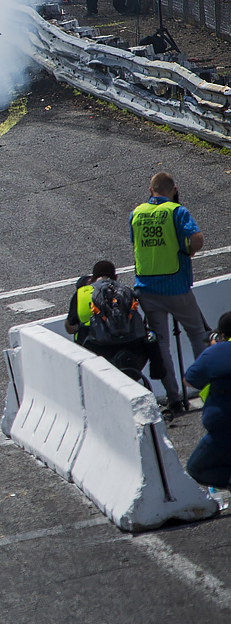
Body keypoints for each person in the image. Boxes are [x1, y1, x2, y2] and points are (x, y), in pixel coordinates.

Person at [131, 171, 209, 415]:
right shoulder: (177, 211)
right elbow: (197, 239)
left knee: (161, 343)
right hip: (176, 285)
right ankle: (208, 390)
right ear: (174, 189)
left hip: (146, 288)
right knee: (197, 333)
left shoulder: (136, 213)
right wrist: (188, 251)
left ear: (150, 189)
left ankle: (174, 398)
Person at [64, 258, 165, 386]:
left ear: (93, 278)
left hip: (98, 352)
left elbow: (70, 326)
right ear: (115, 277)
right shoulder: (126, 291)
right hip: (135, 353)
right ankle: (158, 373)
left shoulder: (82, 293)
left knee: (81, 329)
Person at [184, 314, 231, 490]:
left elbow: (190, 380)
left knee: (195, 468)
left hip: (223, 429)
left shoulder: (217, 351)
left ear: (223, 334)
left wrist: (214, 348)